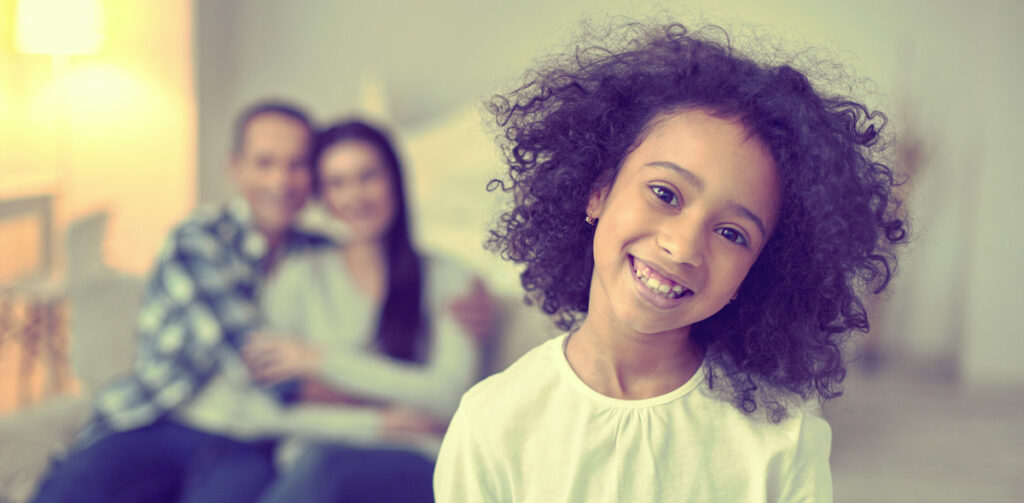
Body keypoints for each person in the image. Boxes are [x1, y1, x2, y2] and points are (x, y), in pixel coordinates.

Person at [434, 21, 907, 503]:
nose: (682, 248)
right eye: (665, 193)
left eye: (731, 233)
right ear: (598, 191)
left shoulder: (782, 429)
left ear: (759, 270)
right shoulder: (492, 423)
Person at [243, 119, 480, 503]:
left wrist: (317, 360)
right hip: (315, 464)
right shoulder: (299, 276)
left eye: (367, 176)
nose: (355, 196)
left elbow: (450, 396)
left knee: (328, 469)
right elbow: (256, 410)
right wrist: (381, 422)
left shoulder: (452, 280)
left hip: (413, 464)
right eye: (337, 183)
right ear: (324, 196)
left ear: (395, 181)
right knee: (322, 465)